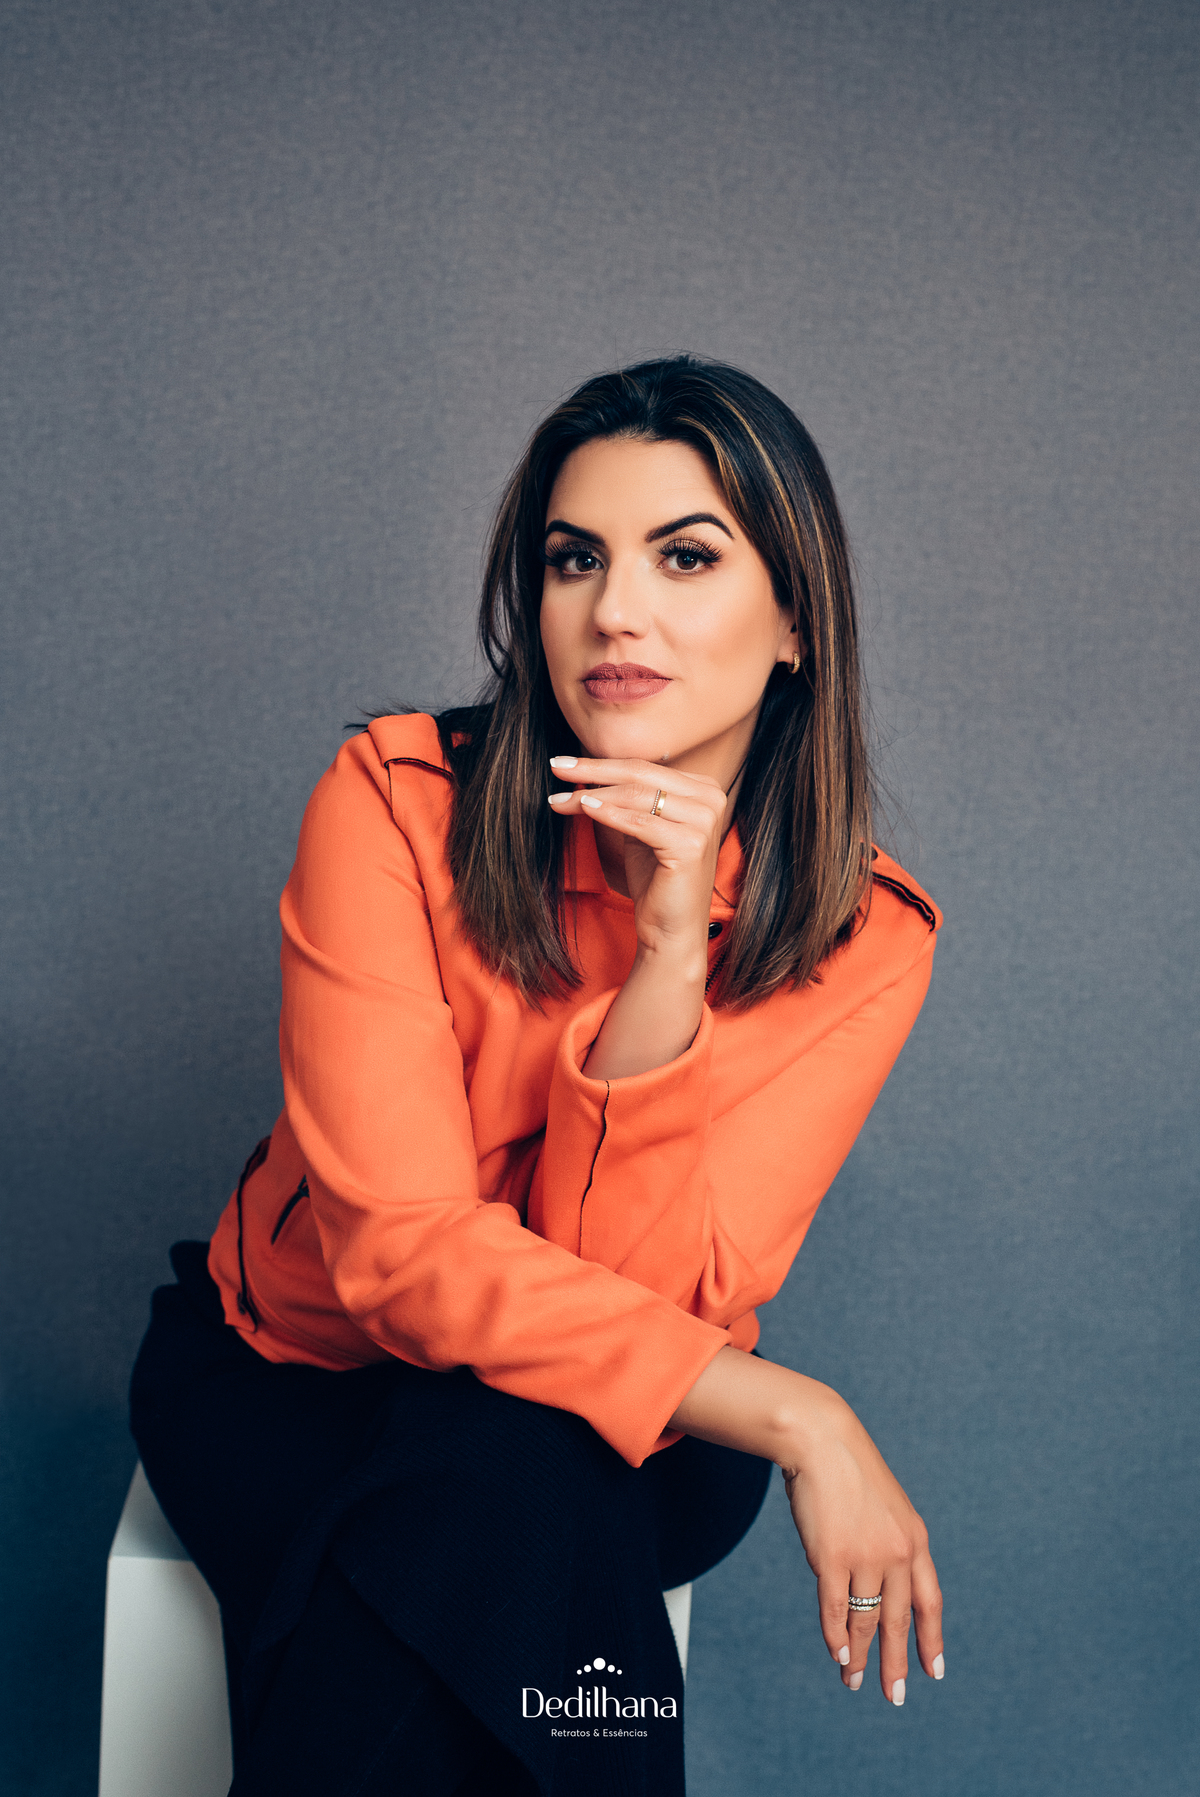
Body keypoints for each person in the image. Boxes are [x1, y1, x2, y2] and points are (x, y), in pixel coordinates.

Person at [130, 355, 945, 1797]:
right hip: (302, 1383)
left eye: (684, 556)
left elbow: (631, 1296)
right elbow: (400, 1259)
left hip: (636, 1427)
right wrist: (801, 1413)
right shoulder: (396, 801)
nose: (613, 610)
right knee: (499, 1494)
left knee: (512, 1465)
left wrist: (670, 955)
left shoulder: (864, 934)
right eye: (575, 559)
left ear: (796, 623)